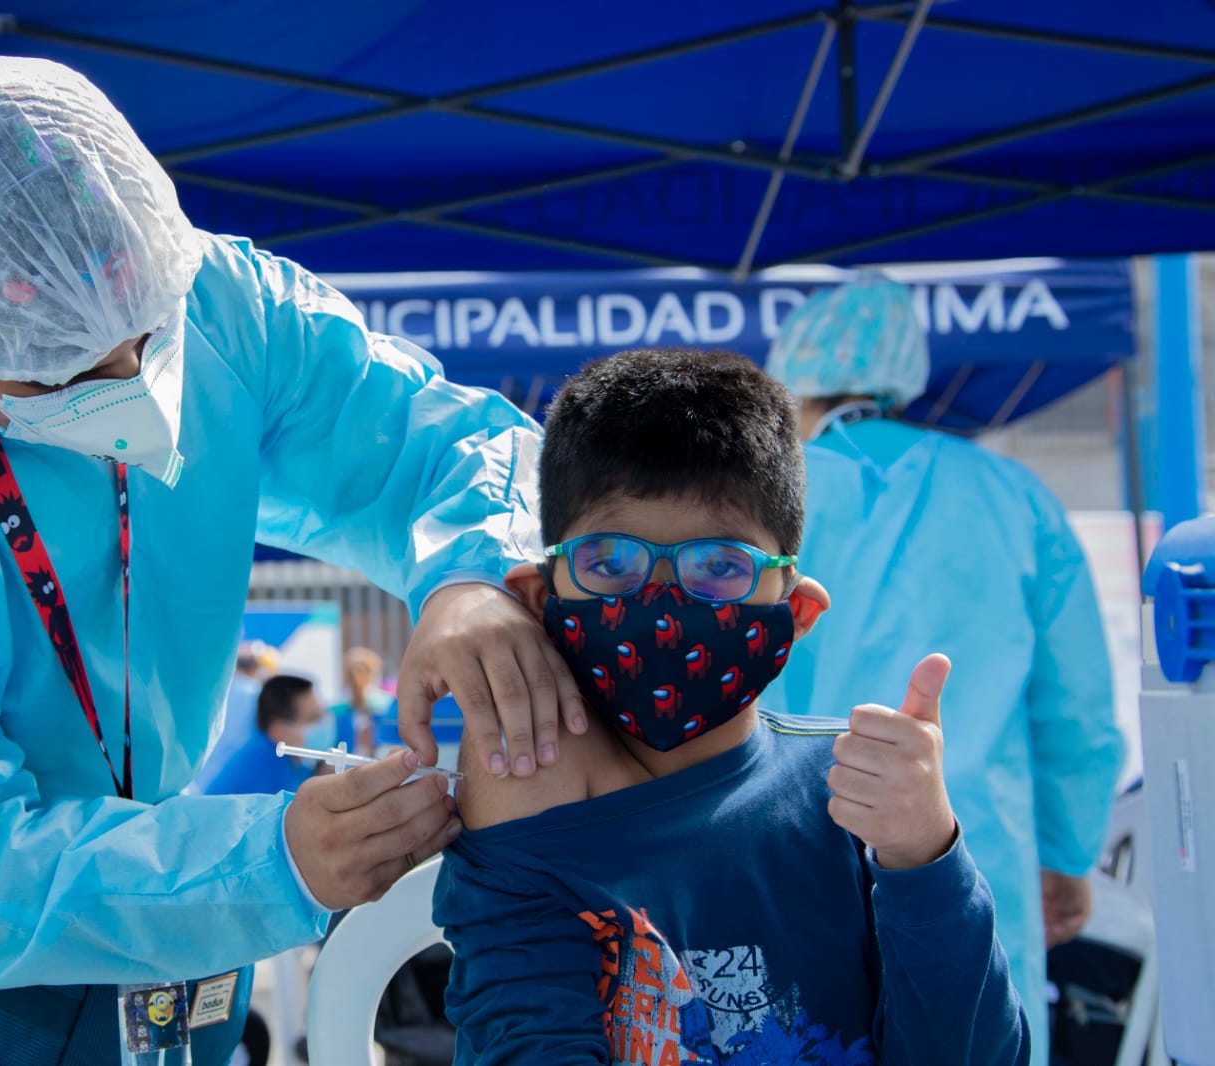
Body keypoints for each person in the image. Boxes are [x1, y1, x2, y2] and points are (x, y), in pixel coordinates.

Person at [0, 57, 579, 1065]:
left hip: (102, 882)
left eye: (148, 334)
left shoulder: (224, 305)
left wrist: (473, 577)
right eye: (60, 369)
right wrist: (274, 861)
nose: (134, 386)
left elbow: (433, 443)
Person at [434, 349, 1029, 1064]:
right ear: (539, 596)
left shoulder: (856, 806)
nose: (658, 604)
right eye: (610, 563)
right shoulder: (528, 791)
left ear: (796, 611)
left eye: (719, 567)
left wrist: (926, 859)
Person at [765, 277, 1125, 1063]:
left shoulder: (761, 500)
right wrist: (1067, 857)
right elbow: (1076, 710)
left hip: (788, 859)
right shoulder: (1012, 494)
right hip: (976, 860)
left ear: (793, 378)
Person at [206, 676, 336, 796]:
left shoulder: (292, 761)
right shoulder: (264, 766)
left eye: (323, 713)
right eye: (313, 718)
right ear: (280, 731)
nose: (325, 722)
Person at [189, 640, 278, 793]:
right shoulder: (257, 696)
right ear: (258, 668)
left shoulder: (214, 693)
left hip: (199, 780)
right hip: (237, 778)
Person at [332, 647, 392, 754]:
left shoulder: (387, 707)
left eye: (362, 670)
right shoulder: (337, 712)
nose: (356, 676)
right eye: (350, 672)